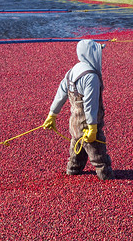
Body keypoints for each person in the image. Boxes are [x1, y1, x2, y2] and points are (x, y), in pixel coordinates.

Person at [42, 39, 115, 180]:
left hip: (75, 123)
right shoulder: (91, 77)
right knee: (98, 154)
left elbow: (61, 94)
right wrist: (93, 127)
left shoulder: (72, 71)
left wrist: (52, 114)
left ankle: (72, 170)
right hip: (88, 125)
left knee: (77, 148)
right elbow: (90, 104)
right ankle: (106, 176)